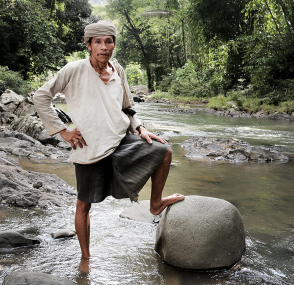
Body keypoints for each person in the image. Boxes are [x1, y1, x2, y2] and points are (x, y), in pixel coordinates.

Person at [32, 20, 185, 266]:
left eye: (108, 41)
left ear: (114, 44)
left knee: (164, 150)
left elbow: (127, 107)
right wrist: (63, 131)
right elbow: (41, 97)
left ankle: (155, 203)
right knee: (83, 206)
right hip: (89, 147)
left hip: (121, 139)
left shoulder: (118, 70)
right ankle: (85, 258)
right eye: (98, 42)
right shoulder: (74, 70)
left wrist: (140, 128)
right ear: (88, 45)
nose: (104, 47)